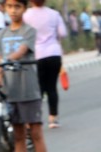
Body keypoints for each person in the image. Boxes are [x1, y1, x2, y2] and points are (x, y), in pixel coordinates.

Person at [0, 0, 52, 152]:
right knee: (18, 136)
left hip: (28, 89)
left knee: (36, 133)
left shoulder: (29, 31)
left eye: (17, 7)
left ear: (24, 9)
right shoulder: (1, 34)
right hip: (10, 91)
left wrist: (5, 61)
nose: (13, 11)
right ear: (4, 9)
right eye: (9, 7)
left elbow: (22, 51)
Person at [24, 0, 65, 129]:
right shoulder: (54, 14)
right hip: (54, 53)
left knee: (39, 89)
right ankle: (53, 118)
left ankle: (35, 118)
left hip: (37, 55)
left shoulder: (26, 15)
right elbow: (62, 33)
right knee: (52, 87)